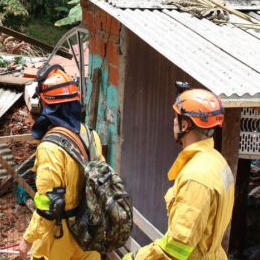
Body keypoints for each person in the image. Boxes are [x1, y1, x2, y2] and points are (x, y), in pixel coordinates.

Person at [123, 87, 234, 260]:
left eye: (176, 117)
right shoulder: (217, 161)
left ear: (185, 125)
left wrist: (135, 258)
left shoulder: (196, 178)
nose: (174, 122)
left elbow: (177, 246)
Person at [19, 65, 103, 260]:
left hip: (59, 237)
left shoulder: (50, 147)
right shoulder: (91, 136)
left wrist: (28, 239)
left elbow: (49, 204)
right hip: (88, 232)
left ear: (46, 106)